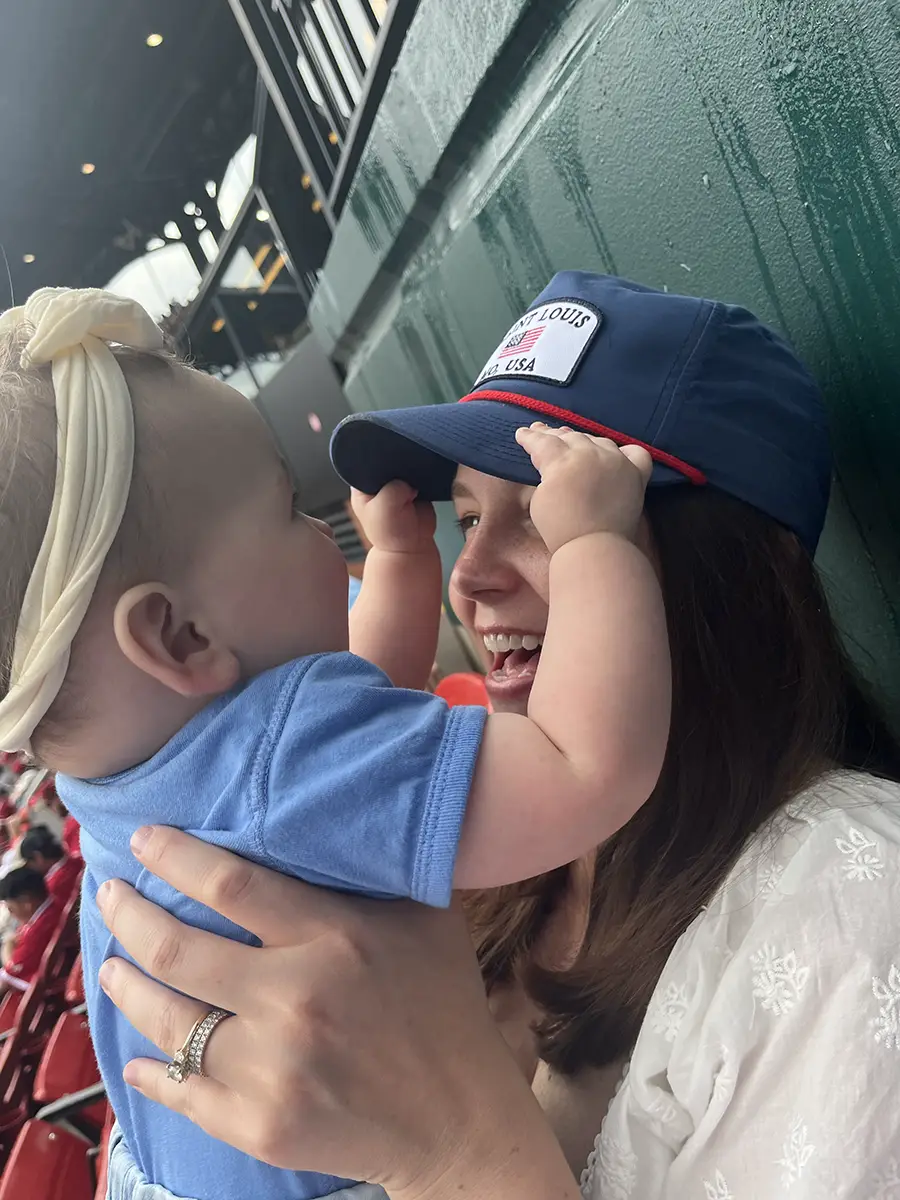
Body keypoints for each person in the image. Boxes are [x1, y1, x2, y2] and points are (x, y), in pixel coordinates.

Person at [95, 272, 900, 1199]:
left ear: (730, 569)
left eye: (550, 517)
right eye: (468, 518)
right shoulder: (494, 832)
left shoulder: (849, 908)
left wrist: (451, 1155)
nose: (468, 576)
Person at [0, 286, 671, 1200]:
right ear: (180, 639)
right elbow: (586, 769)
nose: (324, 535)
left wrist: (398, 563)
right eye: (288, 511)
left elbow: (360, 720)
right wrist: (595, 539)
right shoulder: (277, 763)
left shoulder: (119, 776)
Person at [0, 866, 60, 992]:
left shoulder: (38, 930)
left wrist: (8, 944)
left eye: (11, 907)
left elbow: (10, 973)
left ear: (27, 903)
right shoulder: (55, 905)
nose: (11, 913)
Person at [20, 826, 82, 905]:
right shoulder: (78, 858)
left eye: (28, 862)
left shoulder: (52, 887)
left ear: (38, 857)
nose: (29, 867)